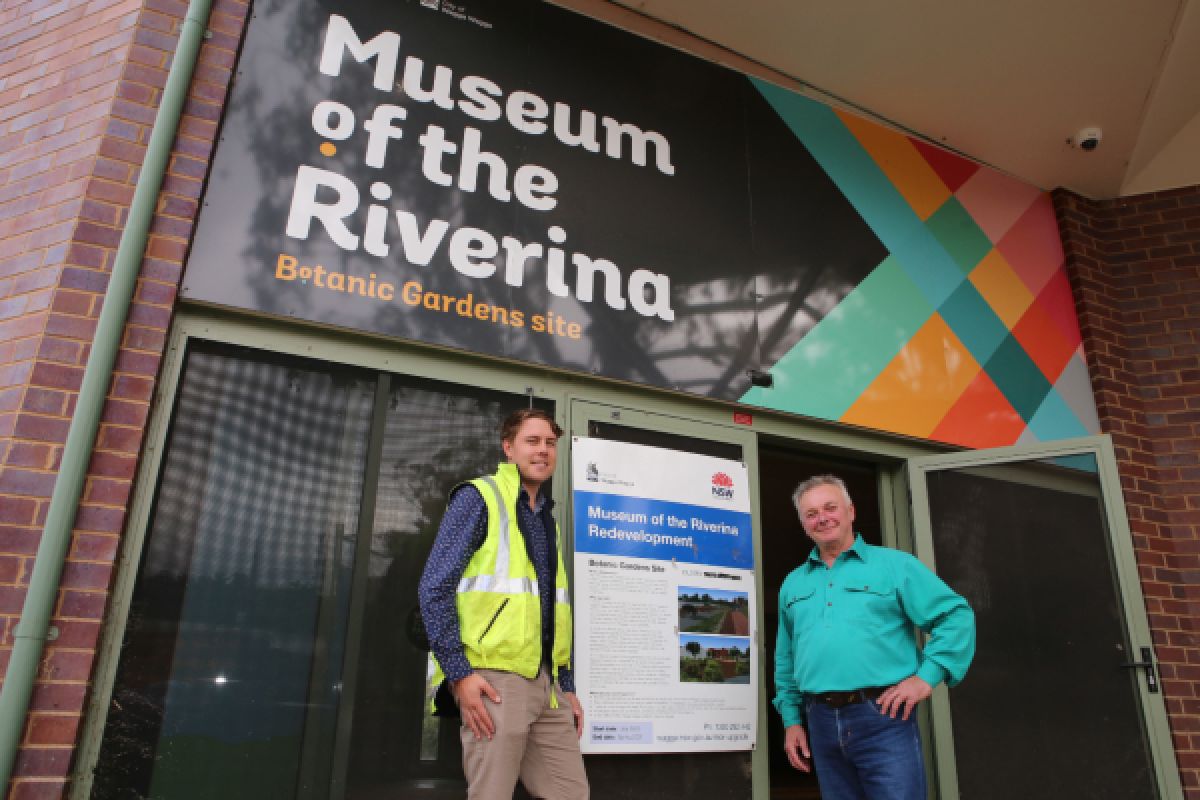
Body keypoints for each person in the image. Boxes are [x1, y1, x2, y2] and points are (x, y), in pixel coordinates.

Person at [418, 408, 588, 800]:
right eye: (533, 441)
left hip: (545, 686)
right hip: (495, 681)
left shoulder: (547, 517)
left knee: (571, 792)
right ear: (508, 448)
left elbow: (549, 611)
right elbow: (433, 588)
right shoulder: (479, 498)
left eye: (550, 443)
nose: (543, 450)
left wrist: (565, 684)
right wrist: (459, 674)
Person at [774, 474, 975, 799]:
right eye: (811, 514)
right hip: (820, 720)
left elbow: (954, 616)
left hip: (883, 715)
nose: (822, 518)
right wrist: (792, 721)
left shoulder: (895, 566)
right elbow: (786, 658)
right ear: (804, 524)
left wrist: (926, 677)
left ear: (850, 511)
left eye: (830, 507)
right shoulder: (792, 584)